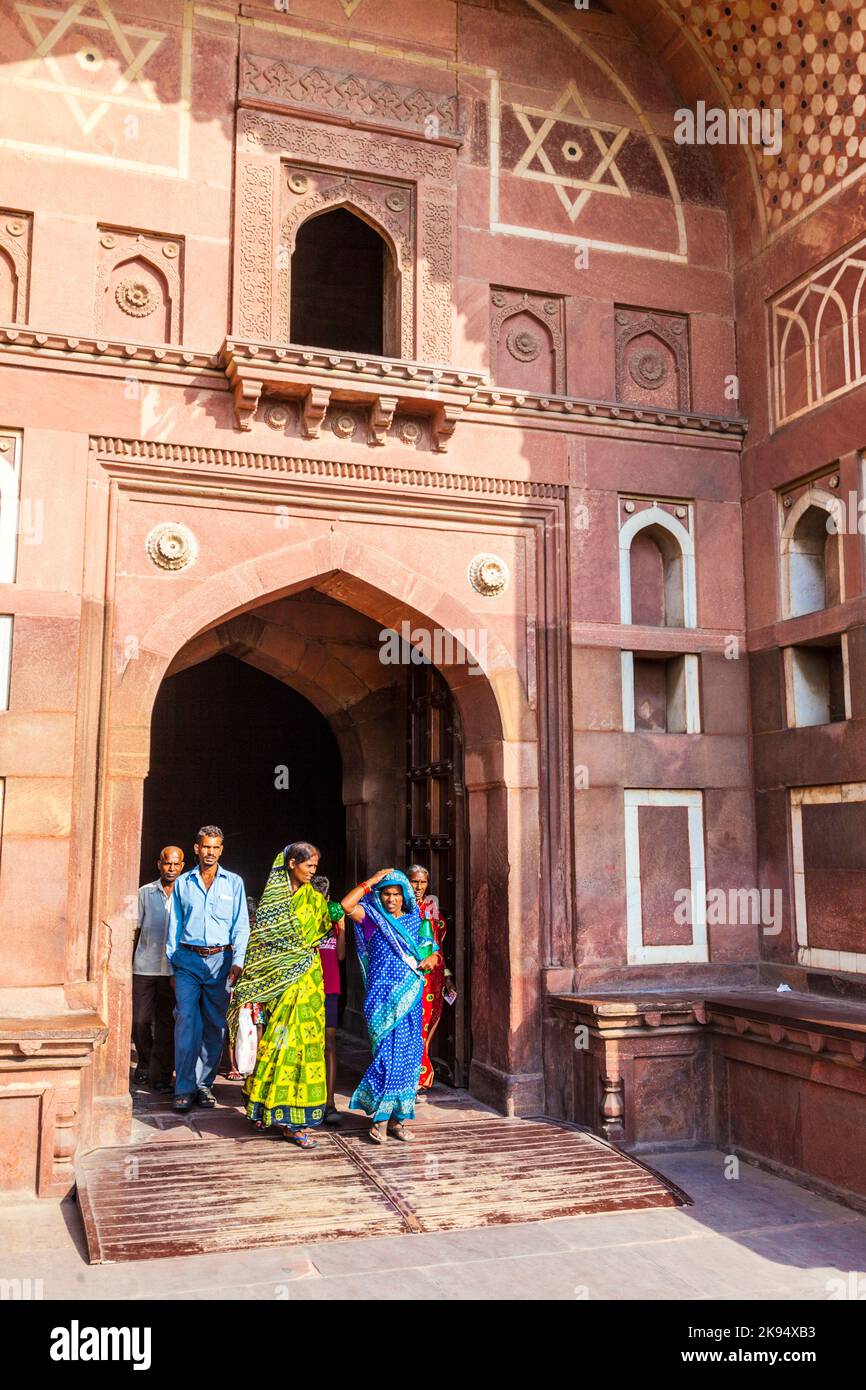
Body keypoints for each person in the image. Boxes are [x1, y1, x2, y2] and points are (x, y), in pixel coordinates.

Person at [227, 842, 332, 1150]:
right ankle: (273, 1111)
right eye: (308, 865)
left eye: (315, 865)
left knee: (304, 1048)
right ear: (291, 864)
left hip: (309, 984)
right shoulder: (273, 906)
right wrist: (253, 986)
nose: (313, 870)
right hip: (280, 991)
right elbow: (261, 949)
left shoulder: (314, 900)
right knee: (280, 1046)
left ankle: (293, 1120)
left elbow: (322, 932)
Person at [341, 868, 440, 1144]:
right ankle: (379, 1119)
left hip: (410, 1001)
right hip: (382, 1002)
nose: (392, 899)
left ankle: (396, 1120)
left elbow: (430, 950)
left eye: (396, 894)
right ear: (379, 895)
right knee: (386, 1060)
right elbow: (346, 906)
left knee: (408, 1061)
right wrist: (371, 882)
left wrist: (432, 959)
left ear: (404, 896)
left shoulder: (415, 921)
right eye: (386, 893)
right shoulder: (371, 918)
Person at [166, 825, 249, 1114]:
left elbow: (241, 925)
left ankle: (204, 1084)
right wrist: (172, 965)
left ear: (221, 850)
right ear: (197, 848)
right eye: (206, 846)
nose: (210, 852)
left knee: (215, 1026)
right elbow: (174, 925)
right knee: (187, 1022)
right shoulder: (184, 883)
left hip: (221, 961)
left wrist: (238, 960)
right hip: (187, 960)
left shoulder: (234, 883)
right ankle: (184, 1088)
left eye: (215, 847)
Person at [132, 846, 184, 1093]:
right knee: (141, 1020)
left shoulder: (186, 893)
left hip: (173, 969)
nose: (171, 869)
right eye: (167, 864)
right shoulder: (145, 893)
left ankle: (160, 1072)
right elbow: (135, 929)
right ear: (159, 864)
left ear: (182, 866)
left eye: (176, 864)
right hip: (145, 966)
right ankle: (145, 1060)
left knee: (166, 1022)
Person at [406, 864, 457, 1098]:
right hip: (411, 974)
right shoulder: (399, 905)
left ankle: (420, 1077)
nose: (418, 887)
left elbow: (437, 943)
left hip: (433, 976)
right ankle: (414, 1079)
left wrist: (446, 975)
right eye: (414, 881)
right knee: (413, 1029)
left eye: (423, 882)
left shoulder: (430, 905)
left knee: (426, 1030)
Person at [312, 874, 346, 1126]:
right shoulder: (303, 917)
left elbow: (342, 955)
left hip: (330, 987)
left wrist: (342, 924)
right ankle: (308, 1101)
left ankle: (330, 1101)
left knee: (329, 1043)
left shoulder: (335, 920)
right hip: (307, 989)